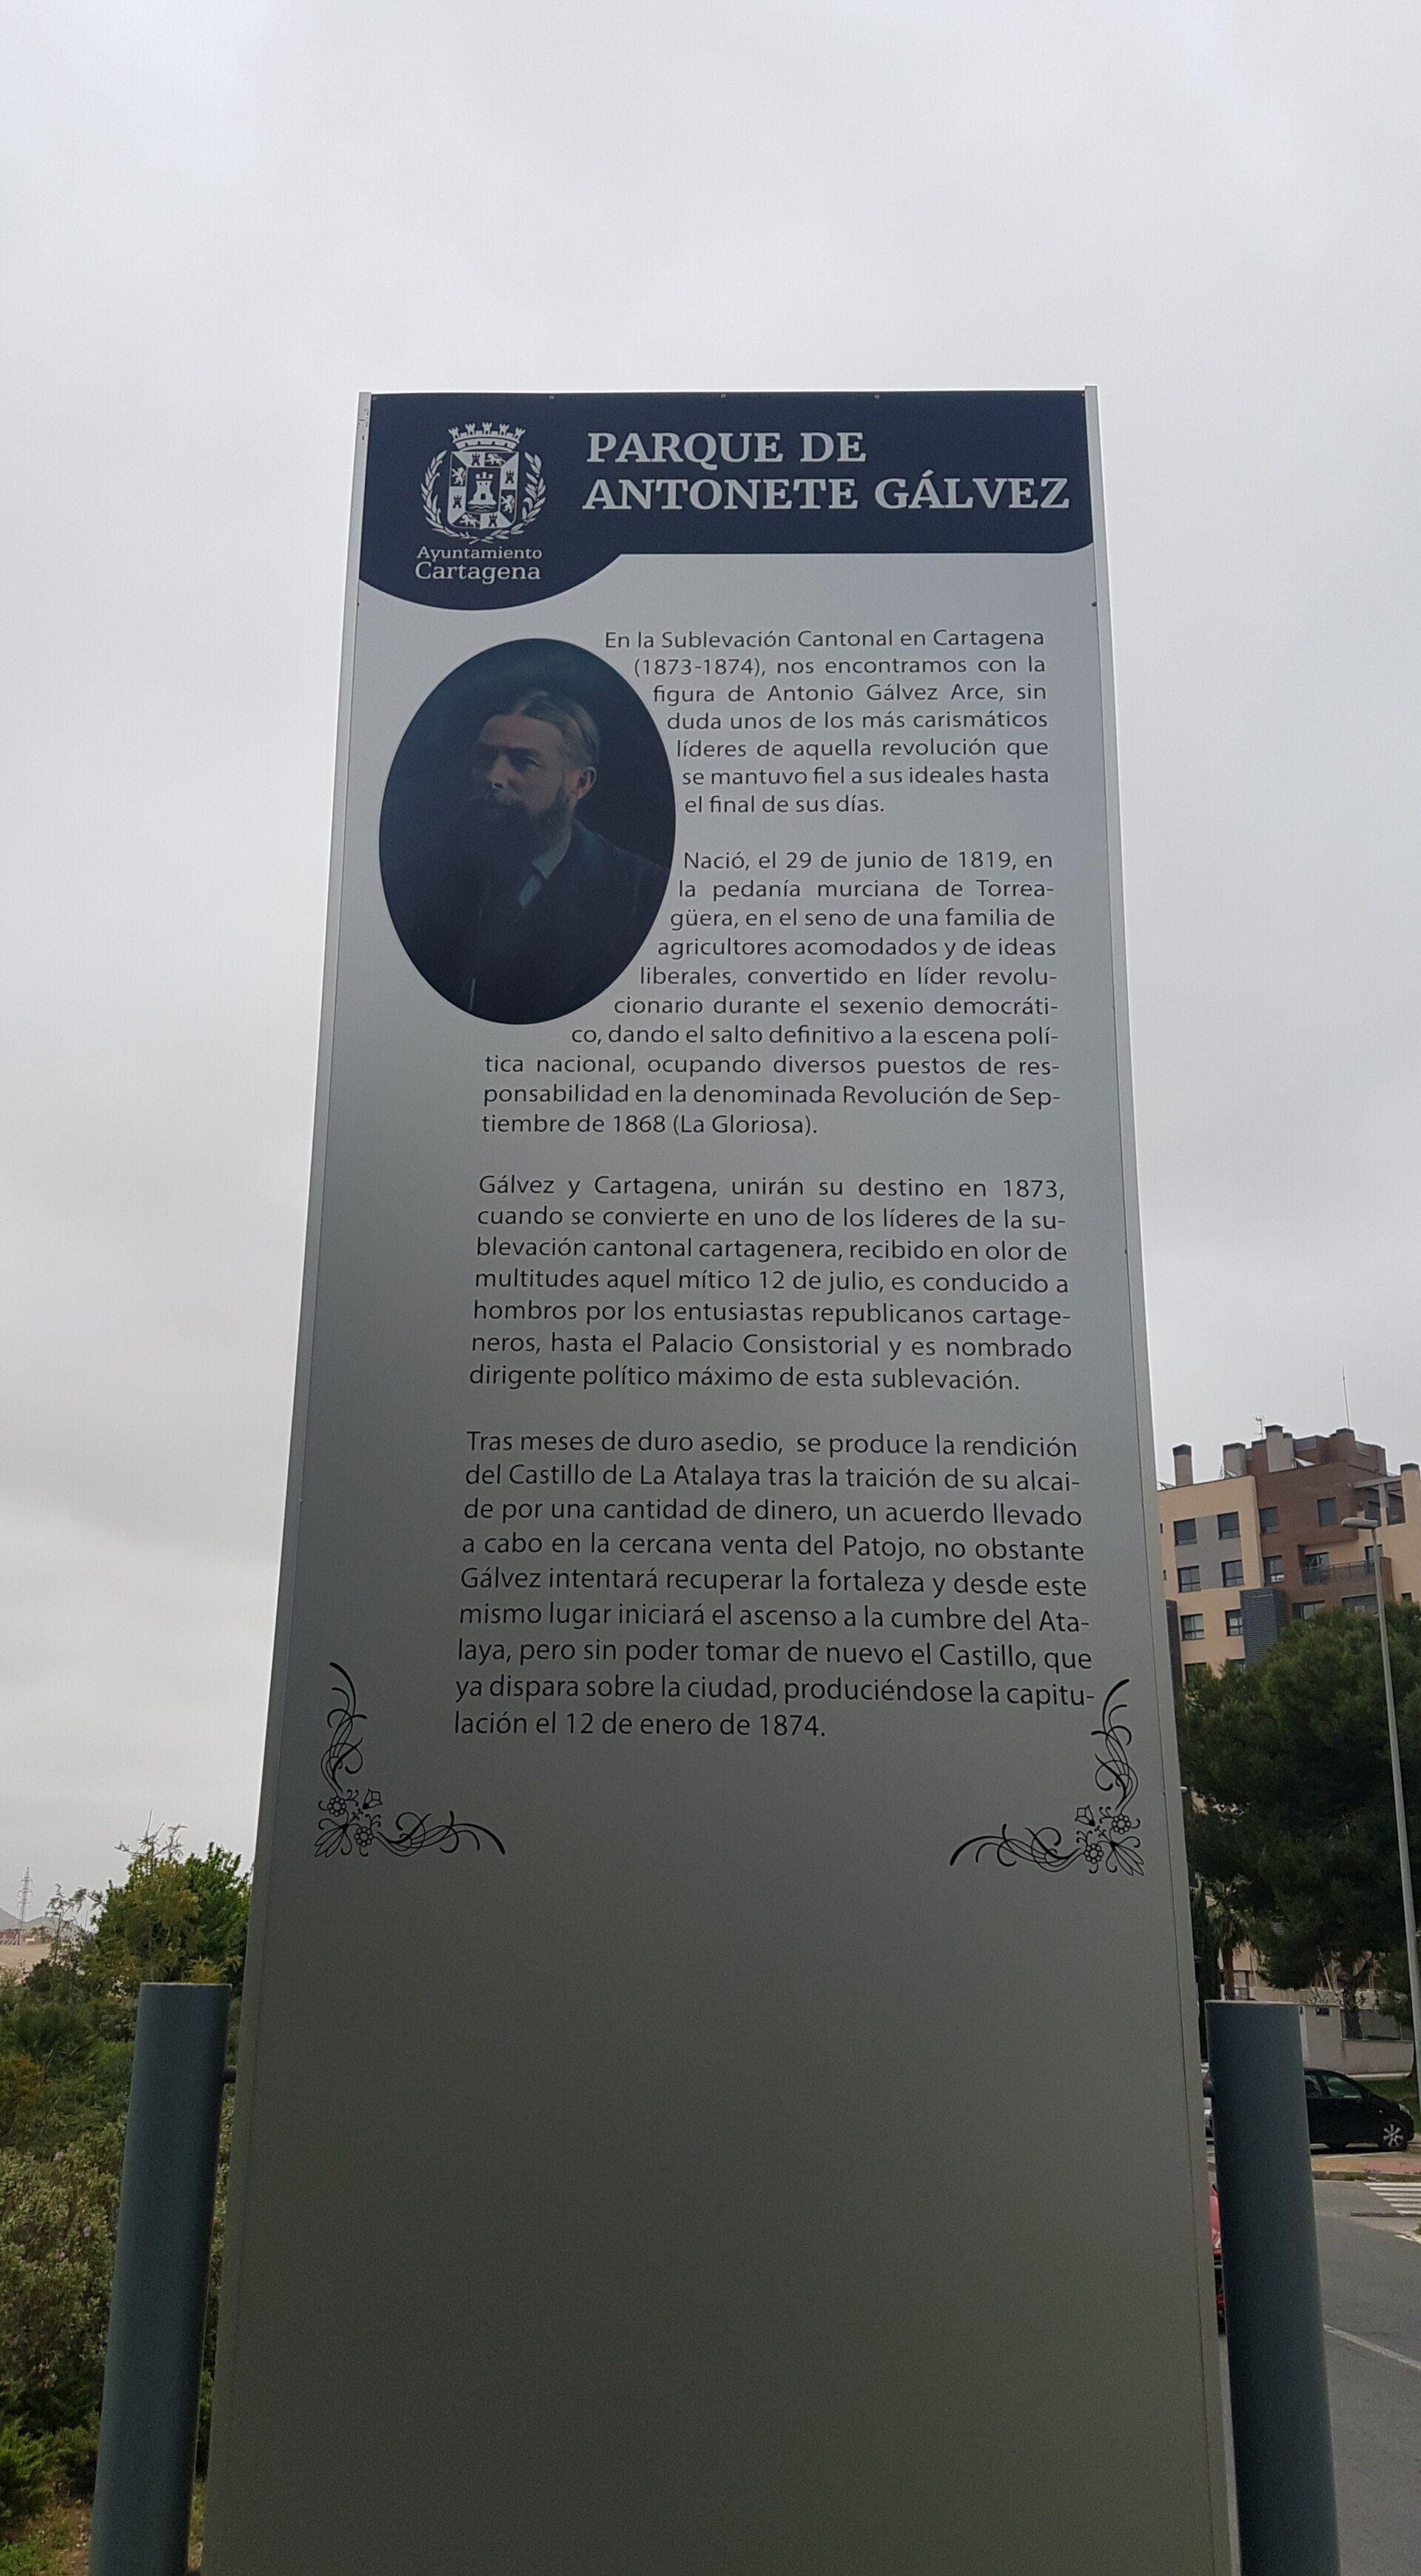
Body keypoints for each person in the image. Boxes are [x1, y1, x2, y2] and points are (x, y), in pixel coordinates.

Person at [390, 688, 668, 1021]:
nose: (494, 778)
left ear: (580, 783)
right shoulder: (417, 884)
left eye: (524, 762)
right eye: (485, 759)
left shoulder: (647, 895)